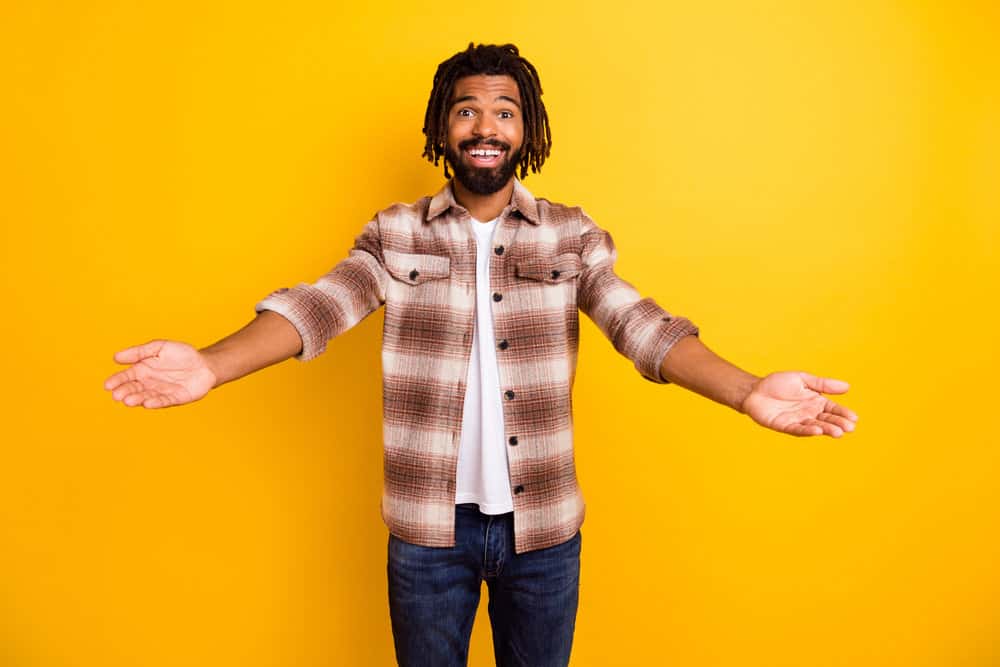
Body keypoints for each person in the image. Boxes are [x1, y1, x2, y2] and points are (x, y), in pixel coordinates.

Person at [103, 43, 858, 667]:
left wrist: (749, 388)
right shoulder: (396, 233)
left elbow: (643, 328)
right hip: (428, 534)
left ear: (526, 131)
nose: (485, 125)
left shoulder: (570, 235)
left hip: (545, 536)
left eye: (504, 111)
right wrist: (209, 362)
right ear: (442, 128)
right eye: (466, 110)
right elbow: (320, 307)